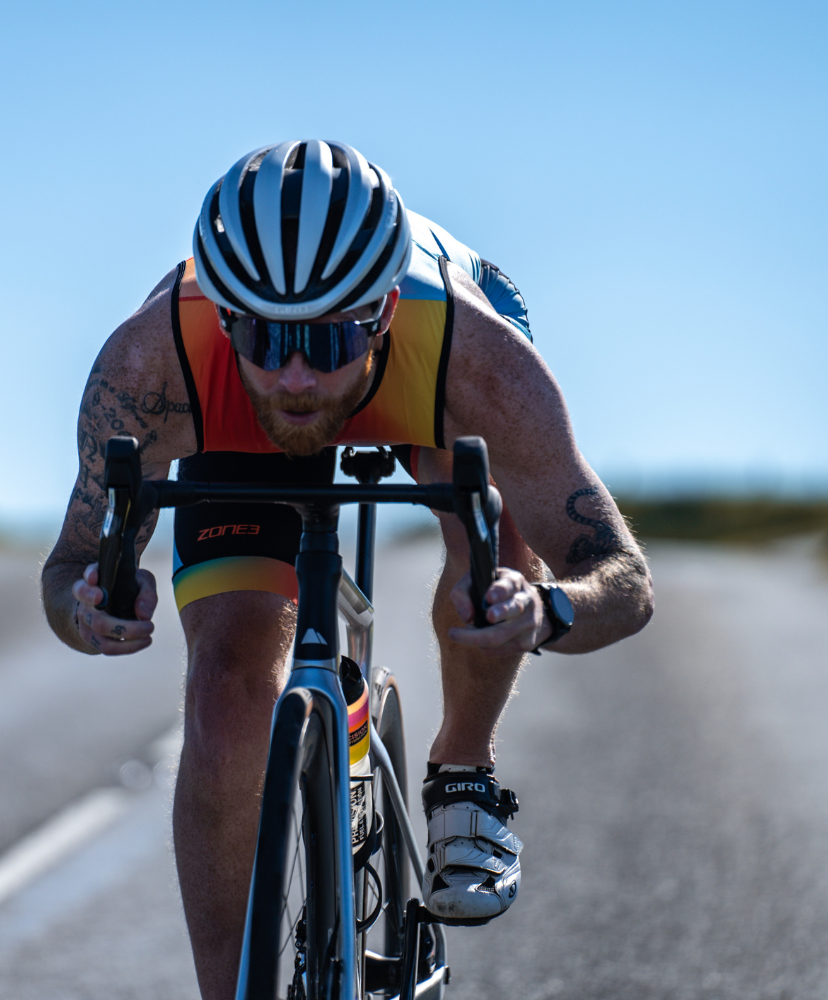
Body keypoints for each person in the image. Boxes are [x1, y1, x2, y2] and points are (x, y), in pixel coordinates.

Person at [42, 140, 654, 999]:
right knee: (224, 690)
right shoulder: (151, 365)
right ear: (222, 314)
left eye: (327, 339)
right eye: (264, 335)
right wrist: (91, 607)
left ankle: (463, 769)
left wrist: (544, 611)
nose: (295, 375)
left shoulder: (477, 357)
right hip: (235, 435)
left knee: (491, 534)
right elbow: (67, 571)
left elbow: (622, 578)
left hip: (423, 398)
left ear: (381, 311)